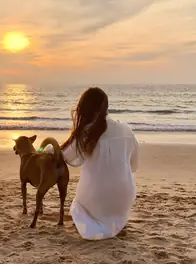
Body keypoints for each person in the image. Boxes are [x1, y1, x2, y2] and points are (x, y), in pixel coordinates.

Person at [44, 87, 139, 240]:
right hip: (124, 198)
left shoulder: (87, 132)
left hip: (96, 198)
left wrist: (47, 149)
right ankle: (114, 219)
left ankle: (100, 219)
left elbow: (67, 158)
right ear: (106, 107)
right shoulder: (126, 130)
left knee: (77, 207)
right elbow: (134, 166)